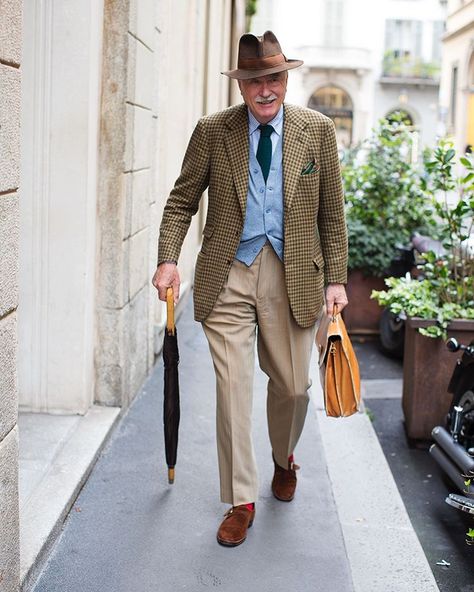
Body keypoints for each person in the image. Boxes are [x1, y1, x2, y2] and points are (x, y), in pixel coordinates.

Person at [152, 30, 348, 547]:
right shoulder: (213, 132)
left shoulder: (317, 131)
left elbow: (333, 211)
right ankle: (240, 499)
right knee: (234, 389)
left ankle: (284, 459)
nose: (266, 89)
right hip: (229, 272)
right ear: (241, 86)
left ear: (286, 79)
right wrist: (169, 259)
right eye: (256, 80)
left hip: (293, 274)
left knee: (293, 388)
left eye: (275, 78)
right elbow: (181, 200)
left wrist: (337, 279)